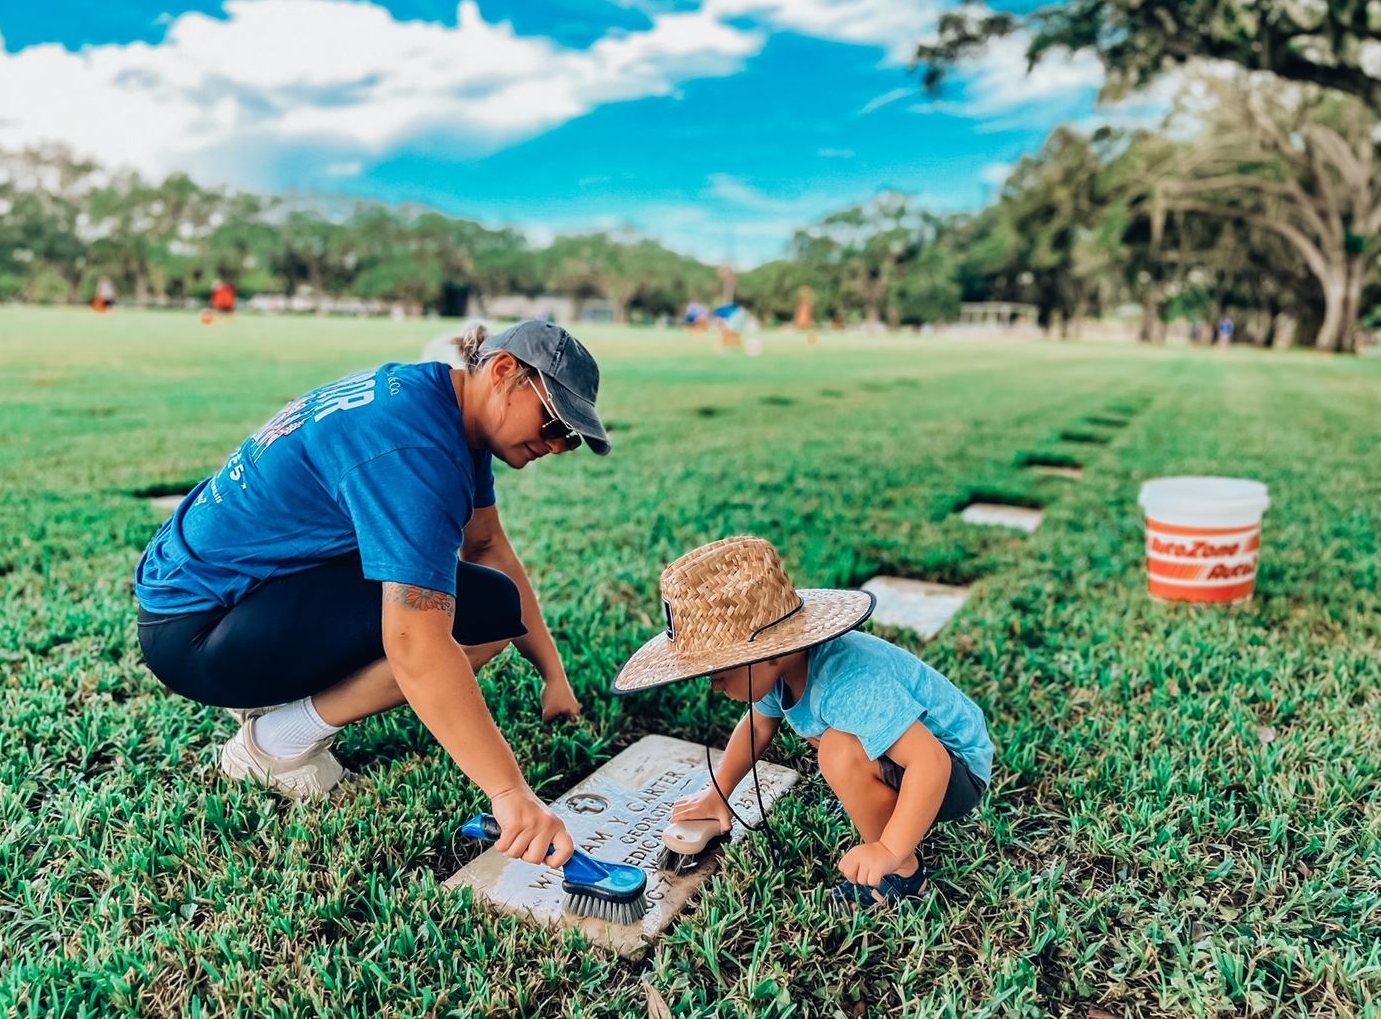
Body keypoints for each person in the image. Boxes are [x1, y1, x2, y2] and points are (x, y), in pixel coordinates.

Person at [133, 319, 610, 871]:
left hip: (225, 598)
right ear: (504, 373)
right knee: (467, 618)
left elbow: (485, 546)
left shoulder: (440, 403)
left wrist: (554, 675)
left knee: (489, 602)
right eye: (553, 422)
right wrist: (511, 796)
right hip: (198, 630)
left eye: (570, 437)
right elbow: (414, 643)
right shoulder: (415, 448)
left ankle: (277, 696)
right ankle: (275, 744)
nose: (556, 445)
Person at [612, 536, 993, 908]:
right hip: (916, 759)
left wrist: (889, 849)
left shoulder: (848, 681)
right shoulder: (779, 672)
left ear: (771, 653)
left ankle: (905, 878)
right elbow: (758, 726)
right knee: (834, 746)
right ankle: (878, 799)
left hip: (954, 771)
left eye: (719, 671)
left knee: (839, 750)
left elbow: (931, 764)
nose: (714, 686)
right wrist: (718, 793)